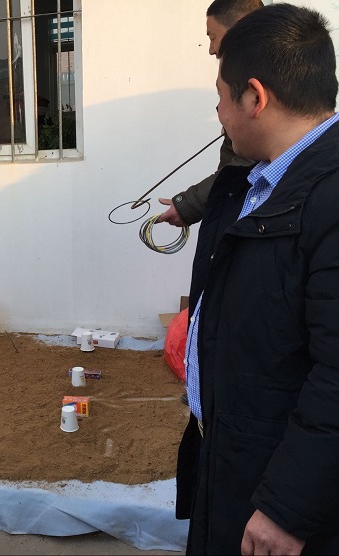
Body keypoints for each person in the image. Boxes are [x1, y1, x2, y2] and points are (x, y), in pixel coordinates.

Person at [176, 4, 339, 554]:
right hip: (234, 463)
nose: (219, 115)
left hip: (281, 503)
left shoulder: (329, 199)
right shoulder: (255, 184)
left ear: (254, 97)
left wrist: (287, 509)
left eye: (221, 98)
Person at [156, 0, 261, 227]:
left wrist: (188, 205)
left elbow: (248, 162)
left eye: (213, 37)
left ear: (257, 99)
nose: (212, 49)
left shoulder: (265, 72)